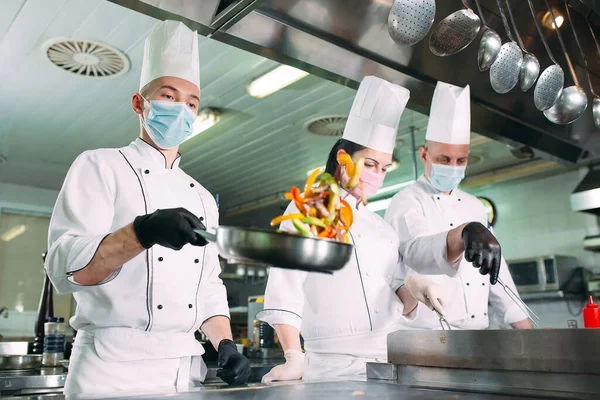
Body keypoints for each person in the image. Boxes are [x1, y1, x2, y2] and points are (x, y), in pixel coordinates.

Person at [45, 20, 250, 396]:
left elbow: (206, 285)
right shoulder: (99, 165)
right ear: (139, 103)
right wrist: (142, 232)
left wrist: (225, 344)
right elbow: (64, 266)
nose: (182, 110)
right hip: (109, 371)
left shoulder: (202, 197)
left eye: (191, 103)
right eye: (169, 97)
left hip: (182, 372)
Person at [257, 76, 446, 384]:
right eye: (370, 164)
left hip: (387, 362)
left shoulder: (382, 229)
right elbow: (285, 285)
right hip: (330, 368)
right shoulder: (311, 207)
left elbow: (399, 297)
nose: (378, 176)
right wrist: (294, 356)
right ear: (343, 159)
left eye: (384, 168)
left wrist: (415, 286)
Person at [384, 81, 532, 330]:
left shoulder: (475, 206)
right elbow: (419, 253)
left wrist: (528, 334)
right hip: (429, 339)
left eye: (460, 160)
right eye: (444, 159)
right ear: (424, 155)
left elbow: (497, 273)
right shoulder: (406, 202)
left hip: (478, 337)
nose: (453, 167)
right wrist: (461, 234)